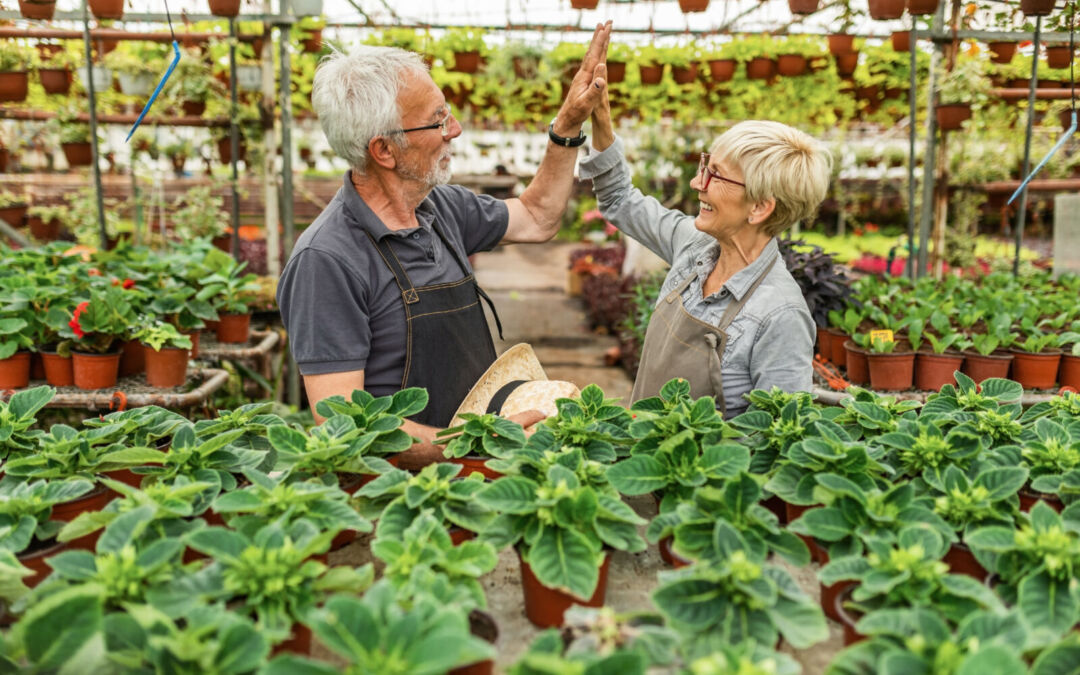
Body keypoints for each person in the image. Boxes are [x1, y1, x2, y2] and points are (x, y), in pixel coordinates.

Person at [276, 23, 613, 468]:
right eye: (437, 119)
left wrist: (567, 125)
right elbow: (343, 428)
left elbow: (537, 217)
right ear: (385, 150)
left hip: (476, 469)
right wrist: (476, 443)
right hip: (403, 501)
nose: (454, 129)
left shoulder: (441, 208)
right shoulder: (327, 262)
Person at [578, 90, 832, 419]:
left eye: (716, 174)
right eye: (705, 165)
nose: (697, 182)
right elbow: (618, 200)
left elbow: (778, 442)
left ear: (759, 207)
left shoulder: (780, 316)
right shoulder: (694, 244)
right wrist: (600, 118)